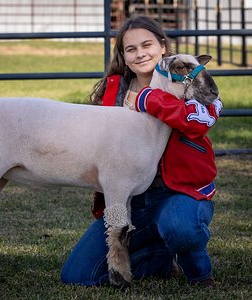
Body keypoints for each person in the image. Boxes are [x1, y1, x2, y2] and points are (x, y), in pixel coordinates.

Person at [61, 15, 221, 289]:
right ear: (123, 56)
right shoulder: (113, 91)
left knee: (182, 228)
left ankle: (197, 269)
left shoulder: (187, 78)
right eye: (130, 49)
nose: (140, 54)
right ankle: (156, 253)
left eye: (147, 45)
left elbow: (200, 121)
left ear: (162, 46)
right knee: (79, 275)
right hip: (129, 197)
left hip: (178, 192)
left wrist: (150, 98)